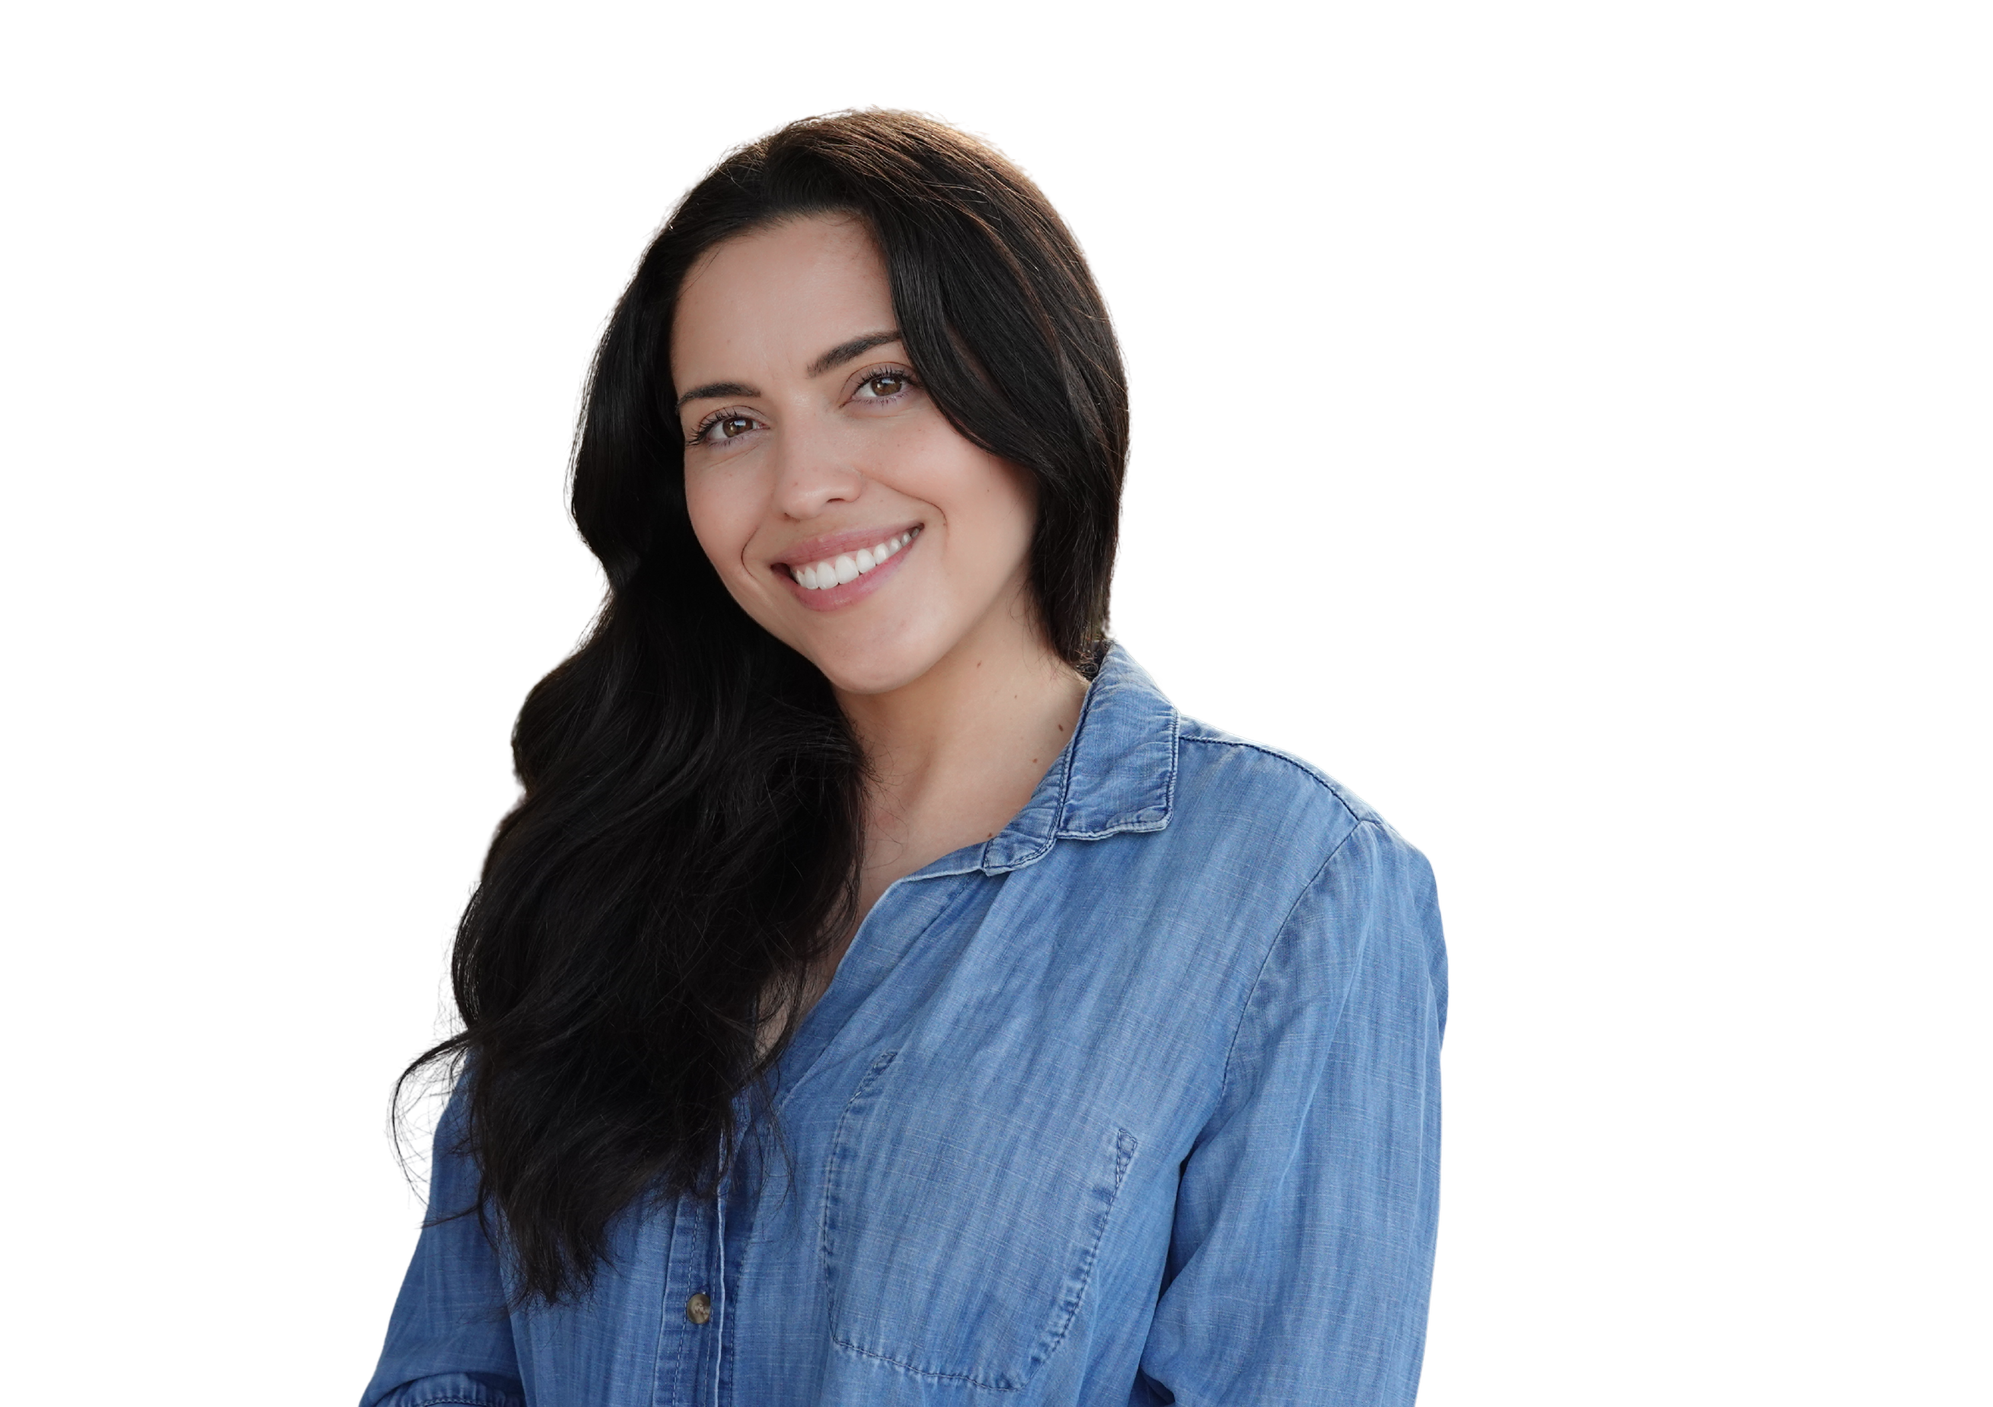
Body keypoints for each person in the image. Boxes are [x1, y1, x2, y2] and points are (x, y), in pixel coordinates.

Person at [364, 105, 1449, 1406]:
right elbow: (448, 1372)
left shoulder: (1291, 886)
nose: (802, 485)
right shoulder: (590, 859)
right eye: (728, 423)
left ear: (1032, 386)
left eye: (878, 382)